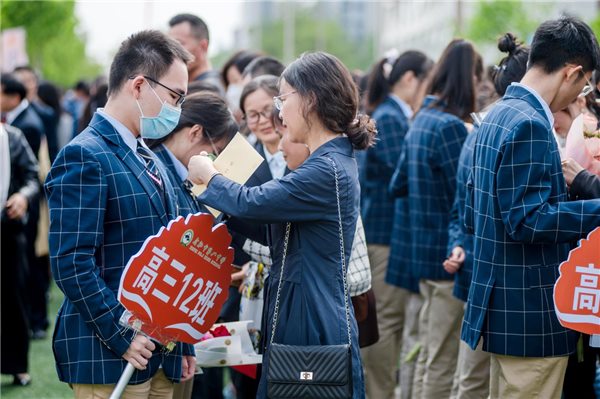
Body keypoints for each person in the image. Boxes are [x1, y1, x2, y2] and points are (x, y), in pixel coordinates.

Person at [187, 51, 376, 399]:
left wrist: (209, 177)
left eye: (282, 98)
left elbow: (253, 202)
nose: (278, 111)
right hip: (304, 308)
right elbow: (264, 222)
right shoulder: (327, 162)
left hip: (311, 317)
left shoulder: (325, 169)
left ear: (311, 99)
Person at [45, 30, 195, 398]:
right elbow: (71, 261)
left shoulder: (150, 154)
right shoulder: (86, 155)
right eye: (175, 96)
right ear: (140, 85)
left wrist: (184, 340)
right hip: (111, 355)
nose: (178, 108)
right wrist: (122, 332)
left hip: (161, 354)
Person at [461, 17, 600, 399]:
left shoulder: (501, 114)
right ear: (571, 72)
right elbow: (528, 220)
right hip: (531, 314)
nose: (578, 96)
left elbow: (487, 211)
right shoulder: (531, 124)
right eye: (583, 83)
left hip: (502, 306)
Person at [391, 39, 479, 399]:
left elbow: (398, 185)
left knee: (426, 352)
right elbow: (466, 197)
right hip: (449, 259)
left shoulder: (421, 119)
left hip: (422, 256)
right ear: (468, 77)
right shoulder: (451, 128)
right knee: (441, 360)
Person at [444, 32, 529, 399]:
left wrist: (458, 242)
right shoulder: (504, 129)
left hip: (477, 274)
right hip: (492, 278)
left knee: (473, 377)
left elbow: (461, 208)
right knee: (477, 379)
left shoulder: (481, 128)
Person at [147, 91, 237, 399]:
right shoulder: (158, 172)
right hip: (147, 333)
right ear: (196, 132)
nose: (213, 161)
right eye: (215, 151)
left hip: (170, 332)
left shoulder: (179, 173)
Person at [360, 50, 433, 399]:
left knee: (388, 319)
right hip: (383, 236)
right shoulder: (390, 117)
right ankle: (379, 391)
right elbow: (401, 176)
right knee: (385, 320)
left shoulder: (390, 113)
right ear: (409, 79)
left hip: (386, 234)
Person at [0, 123, 39, 387]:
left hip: (7, 230)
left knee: (13, 299)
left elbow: (33, 176)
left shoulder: (12, 137)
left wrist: (23, 197)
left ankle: (17, 366)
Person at [240, 75, 287, 178]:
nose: (262, 121)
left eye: (268, 110)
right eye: (252, 115)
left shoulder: (309, 154)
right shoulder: (244, 165)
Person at [169, 13, 224, 96]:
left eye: (178, 44)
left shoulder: (207, 92)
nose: (171, 51)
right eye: (170, 45)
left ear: (203, 47)